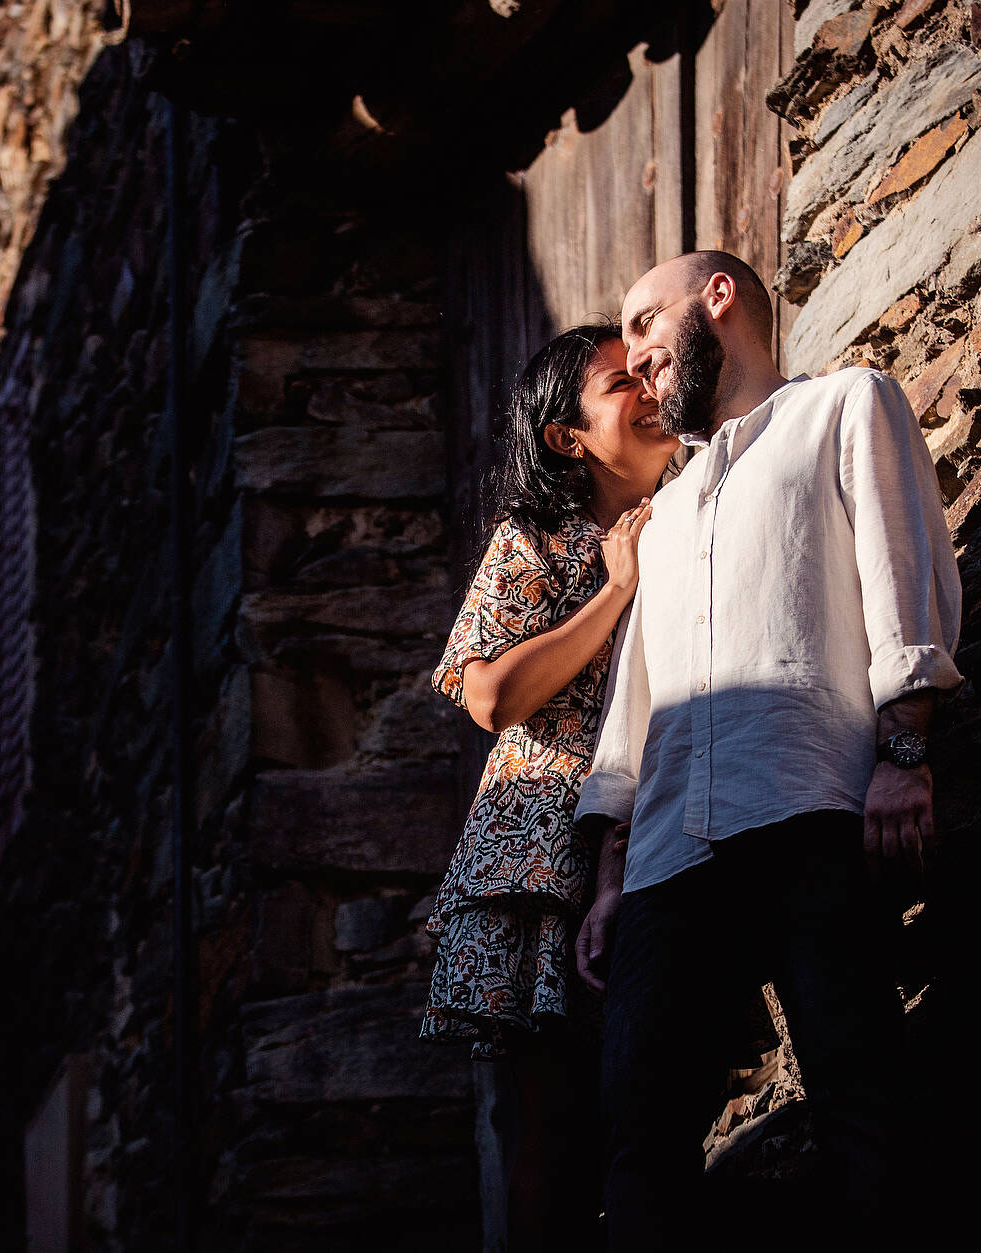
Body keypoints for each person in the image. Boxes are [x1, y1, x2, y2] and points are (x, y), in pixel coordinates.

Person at [573, 251, 964, 1248]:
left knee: (857, 1087)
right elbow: (637, 698)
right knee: (638, 1134)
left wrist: (902, 753)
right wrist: (612, 872)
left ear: (718, 299)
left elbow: (900, 570)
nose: (636, 354)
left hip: (803, 803)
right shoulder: (663, 511)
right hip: (664, 853)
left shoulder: (841, 405)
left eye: (646, 321)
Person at [418, 324, 677, 1251]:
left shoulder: (698, 503)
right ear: (570, 437)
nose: (649, 389)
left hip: (660, 826)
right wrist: (615, 593)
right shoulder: (536, 539)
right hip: (542, 855)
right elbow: (487, 693)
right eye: (620, 384)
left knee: (650, 1101)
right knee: (552, 1125)